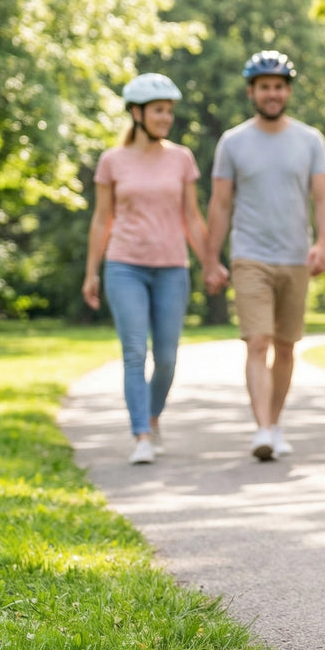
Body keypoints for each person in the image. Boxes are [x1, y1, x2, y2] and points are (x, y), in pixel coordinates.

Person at [203, 50, 325, 462]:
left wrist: (323, 244)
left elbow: (323, 197)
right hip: (249, 256)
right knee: (257, 341)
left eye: (279, 86)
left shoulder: (310, 139)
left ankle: (275, 423)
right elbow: (220, 204)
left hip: (295, 256)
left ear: (287, 90)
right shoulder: (233, 142)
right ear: (252, 92)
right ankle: (261, 428)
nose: (272, 93)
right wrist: (211, 259)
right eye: (264, 87)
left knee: (286, 345)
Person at [82, 72, 218, 464]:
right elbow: (101, 219)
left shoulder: (181, 158)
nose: (166, 118)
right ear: (137, 113)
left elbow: (192, 217)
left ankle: (154, 416)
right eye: (159, 111)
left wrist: (210, 262)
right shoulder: (112, 161)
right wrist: (92, 272)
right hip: (124, 265)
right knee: (133, 353)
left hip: (172, 267)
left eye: (169, 111)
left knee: (168, 357)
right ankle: (141, 433)